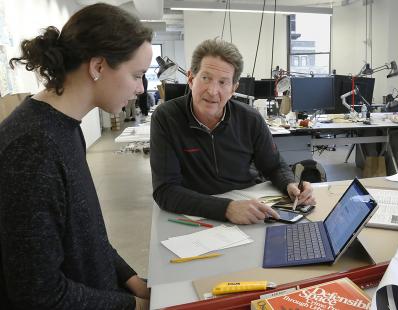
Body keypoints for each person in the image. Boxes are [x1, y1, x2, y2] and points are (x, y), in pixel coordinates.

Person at [0, 3, 152, 309]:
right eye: (137, 75)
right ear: (98, 67)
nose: (139, 88)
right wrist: (134, 306)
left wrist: (132, 280)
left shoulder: (66, 127)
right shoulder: (33, 147)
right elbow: (39, 294)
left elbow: (85, 231)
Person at [150, 38, 315, 225]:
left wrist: (290, 184)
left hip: (252, 210)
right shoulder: (166, 118)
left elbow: (274, 166)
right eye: (205, 78)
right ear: (190, 79)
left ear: (234, 89)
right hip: (199, 214)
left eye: (223, 82)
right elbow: (165, 191)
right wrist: (226, 208)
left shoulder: (250, 118)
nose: (213, 91)